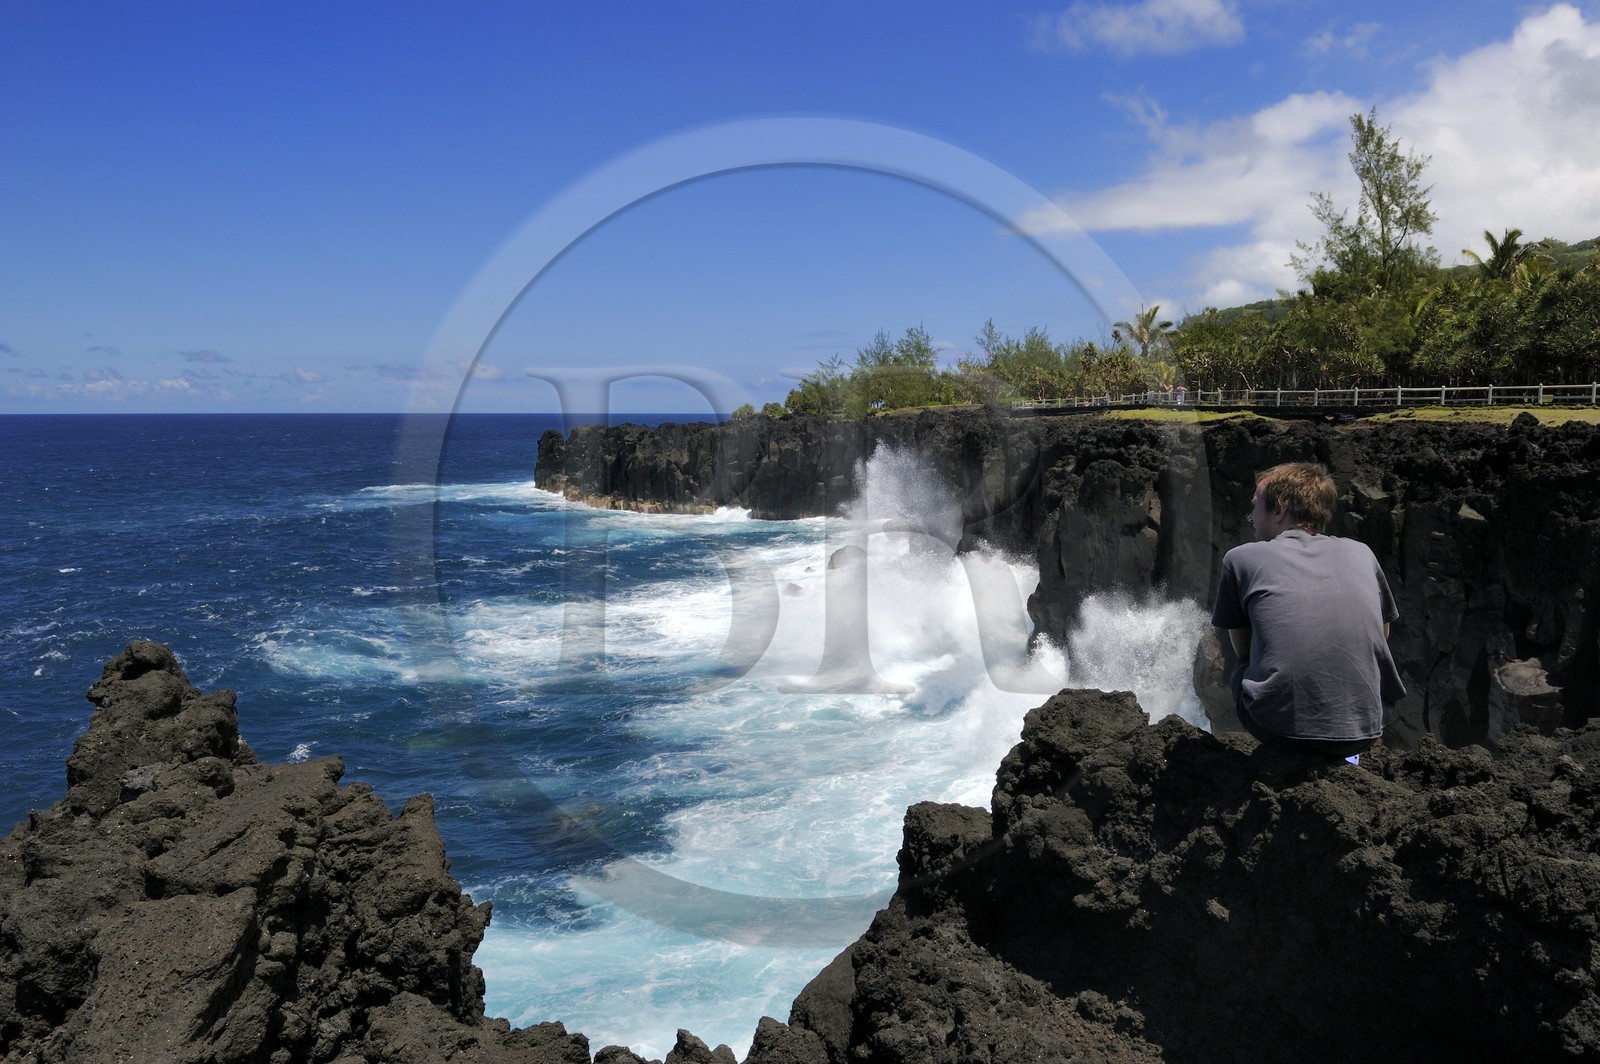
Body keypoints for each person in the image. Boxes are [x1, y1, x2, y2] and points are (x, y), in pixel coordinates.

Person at [1211, 462, 1405, 759]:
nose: (1250, 517)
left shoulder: (1240, 559)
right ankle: (1345, 756)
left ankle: (1283, 761)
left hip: (1276, 729)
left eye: (1255, 506)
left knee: (1243, 666)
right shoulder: (1362, 553)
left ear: (1280, 509)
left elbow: (1244, 650)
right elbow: (1383, 634)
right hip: (1366, 730)